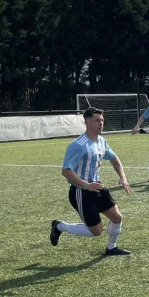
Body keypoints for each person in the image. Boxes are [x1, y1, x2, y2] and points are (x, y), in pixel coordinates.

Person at [50, 107, 132, 256]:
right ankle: (60, 226)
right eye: (97, 120)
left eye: (102, 120)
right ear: (87, 122)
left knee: (117, 217)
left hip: (98, 187)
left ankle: (111, 247)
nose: (101, 123)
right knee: (96, 231)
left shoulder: (102, 141)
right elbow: (66, 171)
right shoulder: (78, 145)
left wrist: (122, 177)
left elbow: (114, 159)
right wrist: (86, 185)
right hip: (81, 192)